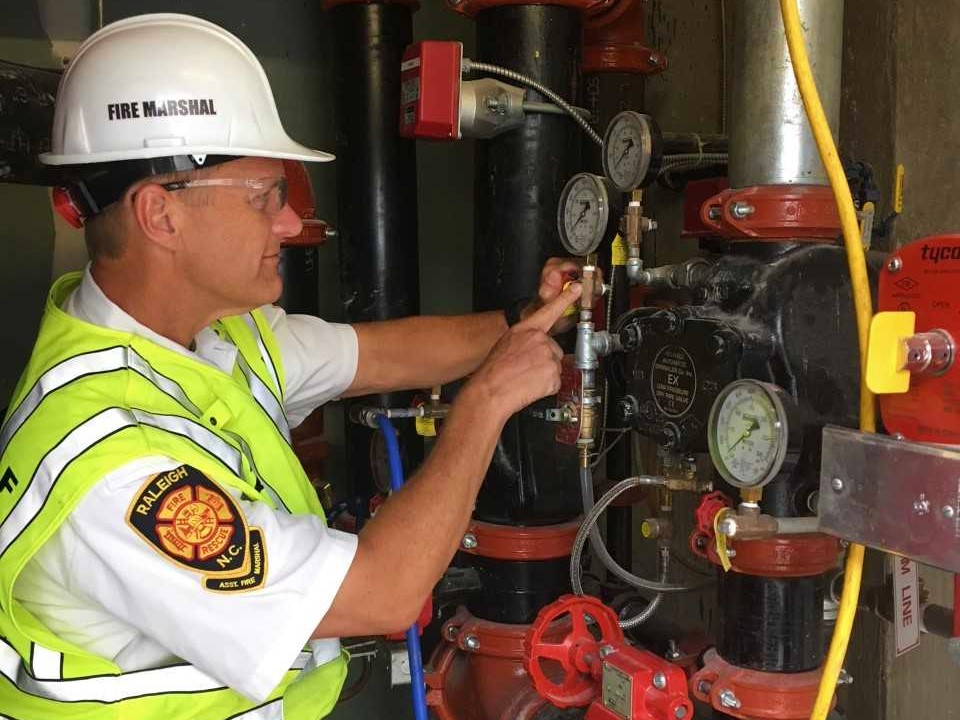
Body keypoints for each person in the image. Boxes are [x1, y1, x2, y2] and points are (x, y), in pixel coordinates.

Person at [0, 13, 583, 720]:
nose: (286, 224)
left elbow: (384, 353)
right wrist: (487, 401)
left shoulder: (208, 337)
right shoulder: (114, 465)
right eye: (262, 197)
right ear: (161, 215)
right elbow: (383, 593)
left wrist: (525, 320)